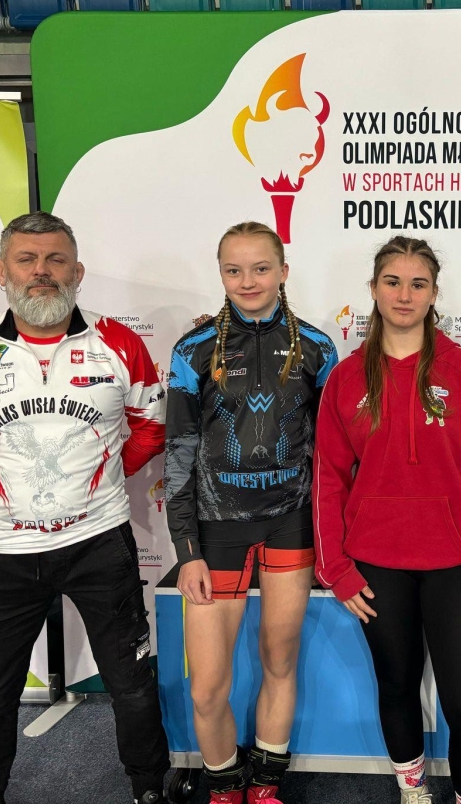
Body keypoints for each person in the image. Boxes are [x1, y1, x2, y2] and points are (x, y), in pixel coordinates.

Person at [0, 212, 170, 804]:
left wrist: (101, 482)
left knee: (131, 681)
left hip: (100, 541)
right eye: (26, 260)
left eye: (56, 260)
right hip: (3, 549)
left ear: (77, 271)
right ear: (0, 271)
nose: (42, 272)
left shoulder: (119, 343)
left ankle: (148, 788)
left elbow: (150, 429)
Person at [312, 236, 461, 804]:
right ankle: (413, 788)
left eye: (417, 284)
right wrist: (335, 568)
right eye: (393, 282)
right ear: (374, 289)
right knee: (397, 686)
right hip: (376, 563)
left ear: (433, 294)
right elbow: (328, 479)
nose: (404, 295)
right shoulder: (346, 379)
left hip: (458, 564)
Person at [164, 221, 338, 804]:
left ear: (283, 271)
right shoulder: (192, 350)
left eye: (261, 268)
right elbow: (178, 454)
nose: (248, 281)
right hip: (216, 532)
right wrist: (186, 550)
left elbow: (334, 454)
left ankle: (265, 782)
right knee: (207, 687)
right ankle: (223, 783)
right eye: (233, 270)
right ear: (220, 274)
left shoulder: (318, 348)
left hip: (290, 524)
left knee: (279, 661)